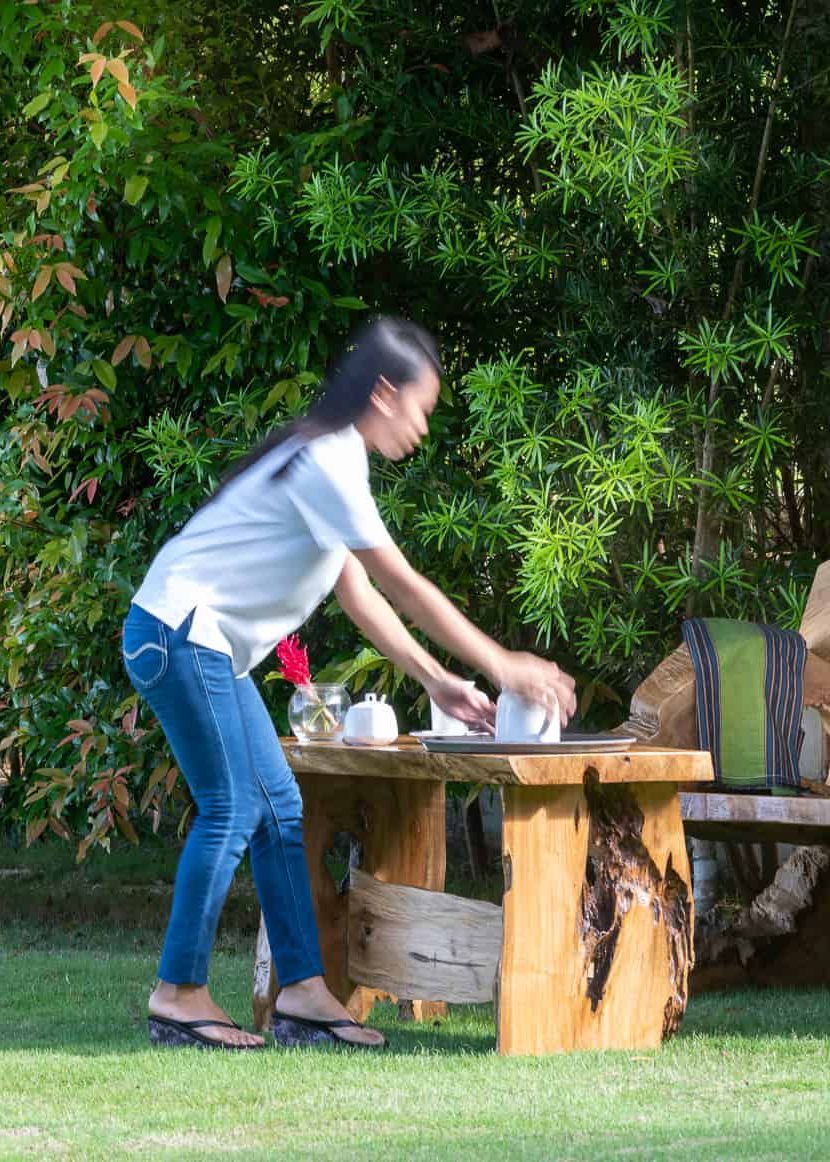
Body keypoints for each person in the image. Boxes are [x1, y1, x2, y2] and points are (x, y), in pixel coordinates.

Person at [120, 316, 575, 1049]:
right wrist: (503, 665)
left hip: (203, 646)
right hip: (178, 635)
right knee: (231, 807)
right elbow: (402, 584)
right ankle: (178, 992)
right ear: (387, 393)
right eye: (423, 408)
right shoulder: (324, 459)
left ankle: (302, 992)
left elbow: (357, 592)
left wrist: (440, 680)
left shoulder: (335, 460)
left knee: (279, 808)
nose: (423, 427)